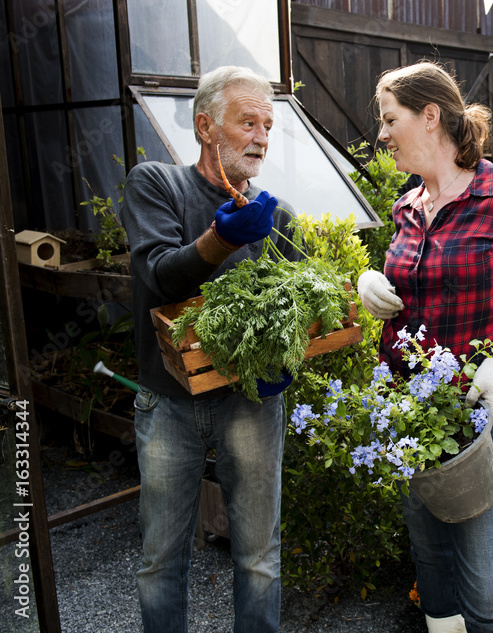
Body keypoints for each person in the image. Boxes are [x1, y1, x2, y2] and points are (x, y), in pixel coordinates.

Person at [358, 61, 493, 633]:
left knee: (482, 582)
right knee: (431, 564)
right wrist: (369, 285)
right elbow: (405, 294)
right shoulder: (407, 208)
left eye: (389, 119)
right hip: (412, 415)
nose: (382, 134)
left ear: (430, 117)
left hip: (481, 414)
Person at [120, 66, 301, 633]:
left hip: (250, 403)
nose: (262, 137)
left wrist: (290, 355)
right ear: (205, 126)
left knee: (258, 558)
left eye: (268, 126)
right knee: (161, 560)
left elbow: (293, 306)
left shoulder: (277, 217)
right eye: (248, 122)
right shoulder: (157, 184)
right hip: (169, 401)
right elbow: (158, 278)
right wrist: (222, 238)